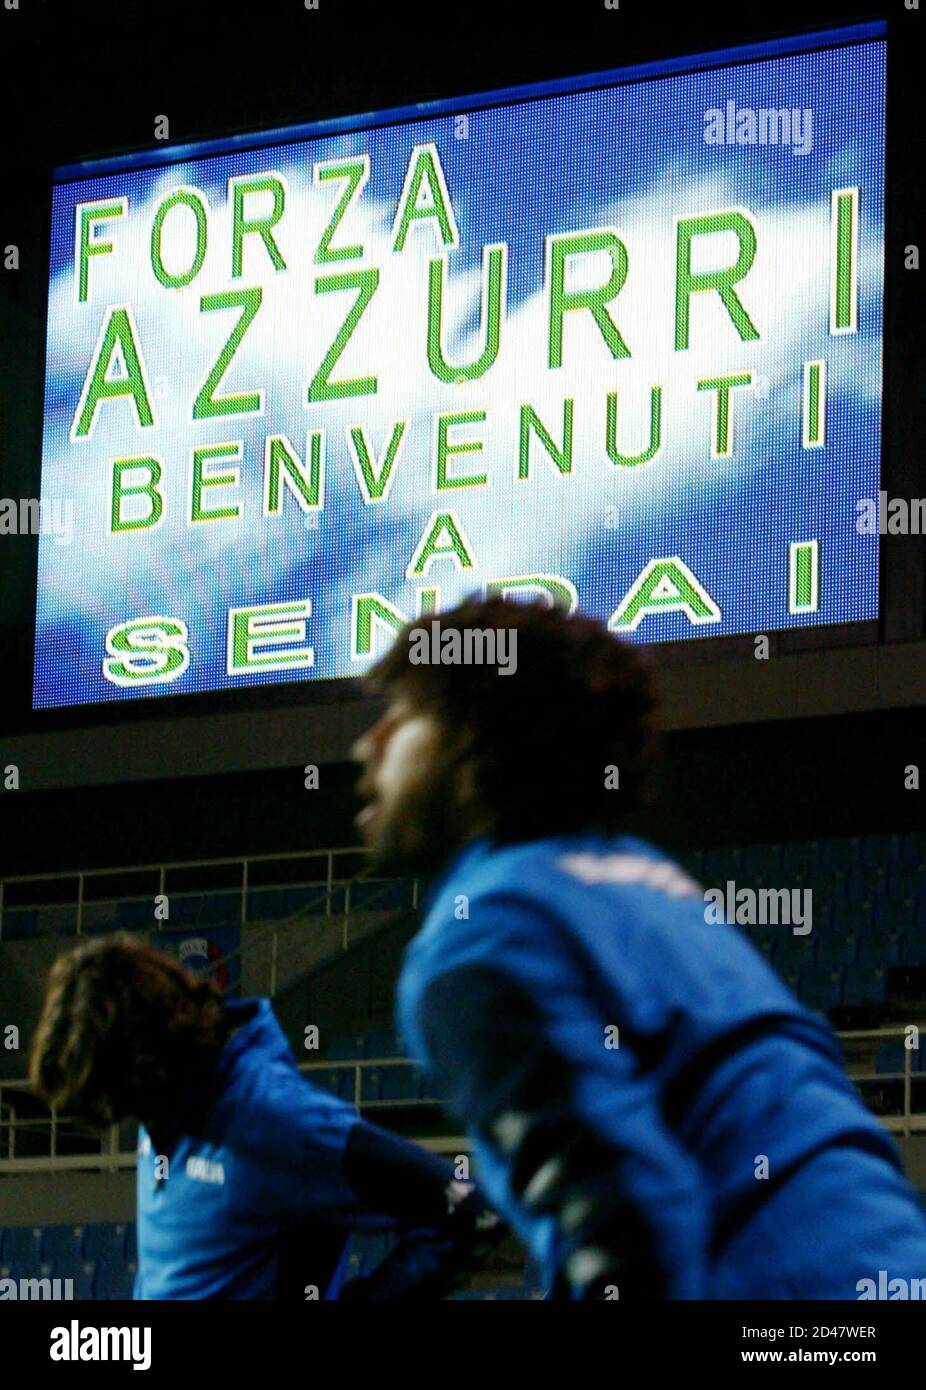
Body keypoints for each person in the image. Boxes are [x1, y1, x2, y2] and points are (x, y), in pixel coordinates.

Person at [351, 593, 926, 1299]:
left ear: (473, 739)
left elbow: (630, 1227)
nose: (367, 743)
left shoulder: (487, 931)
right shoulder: (649, 887)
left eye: (402, 714)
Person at [29, 933, 502, 1300]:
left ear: (150, 1061)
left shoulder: (281, 1121)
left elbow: (467, 1213)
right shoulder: (164, 1097)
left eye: (125, 1103)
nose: (129, 1119)